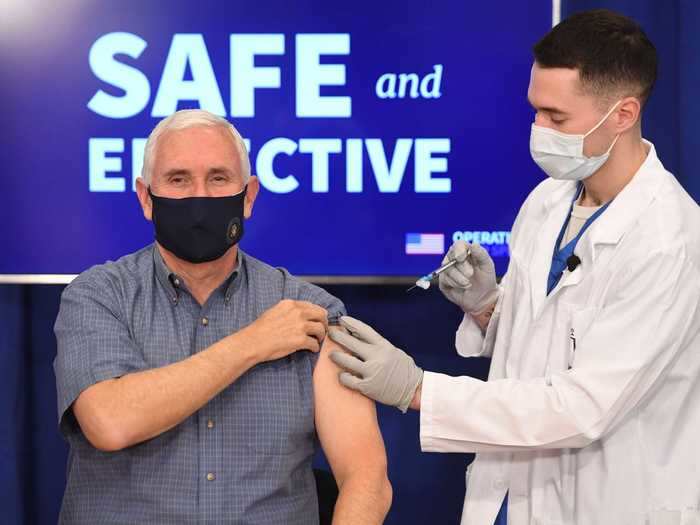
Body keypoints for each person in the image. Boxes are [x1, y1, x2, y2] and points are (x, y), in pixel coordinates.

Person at [329, 9, 700, 525]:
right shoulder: (549, 201)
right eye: (535, 112)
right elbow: (548, 346)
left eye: (557, 117)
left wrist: (416, 389)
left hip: (609, 502)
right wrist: (488, 309)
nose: (538, 129)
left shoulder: (670, 240)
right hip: (511, 496)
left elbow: (582, 407)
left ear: (623, 114)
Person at [53, 109, 392, 524]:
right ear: (146, 198)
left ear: (248, 196)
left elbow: (366, 476)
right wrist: (253, 342)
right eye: (178, 180)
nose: (200, 197)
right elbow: (109, 422)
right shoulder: (98, 296)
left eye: (218, 178)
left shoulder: (311, 312)